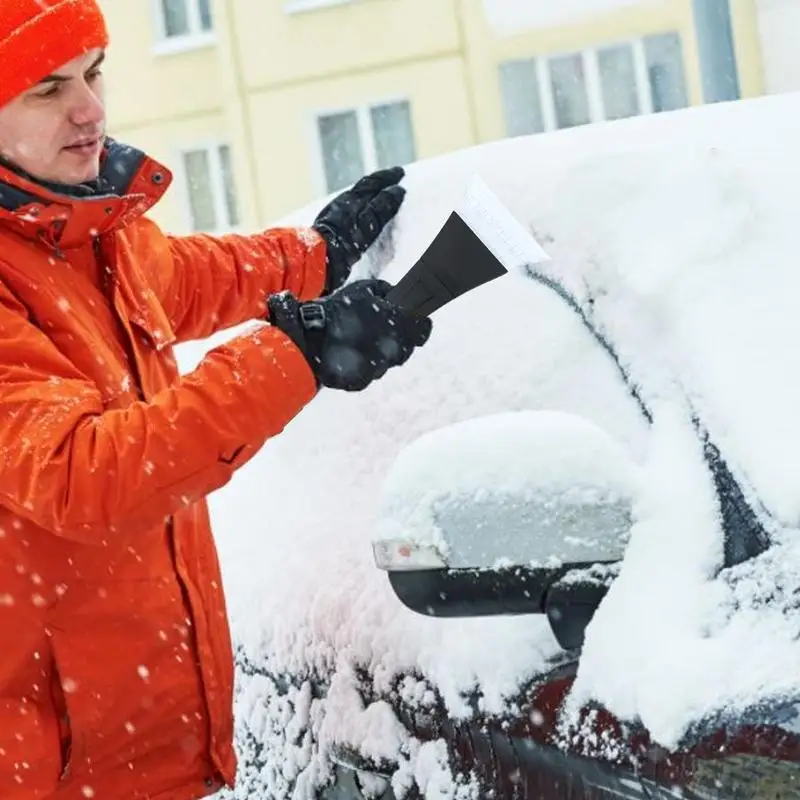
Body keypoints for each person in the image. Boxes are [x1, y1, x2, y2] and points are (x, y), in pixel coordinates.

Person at [0, 1, 432, 798]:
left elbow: (191, 276)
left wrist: (314, 256)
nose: (90, 109)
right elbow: (82, 473)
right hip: (55, 774)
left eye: (94, 74)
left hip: (146, 755)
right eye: (47, 88)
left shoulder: (91, 232)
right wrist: (300, 354)